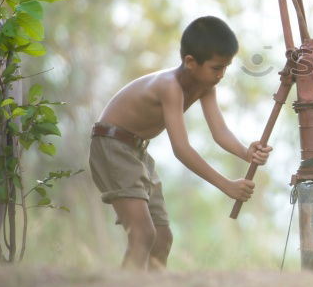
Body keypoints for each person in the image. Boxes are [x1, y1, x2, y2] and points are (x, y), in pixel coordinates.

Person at [89, 16, 272, 270]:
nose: (221, 75)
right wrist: (226, 185)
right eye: (216, 67)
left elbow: (219, 131)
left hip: (137, 151)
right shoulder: (169, 87)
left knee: (162, 238)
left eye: (226, 67)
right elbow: (181, 150)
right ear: (190, 62)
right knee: (142, 234)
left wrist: (246, 153)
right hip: (112, 145)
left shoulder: (205, 86)